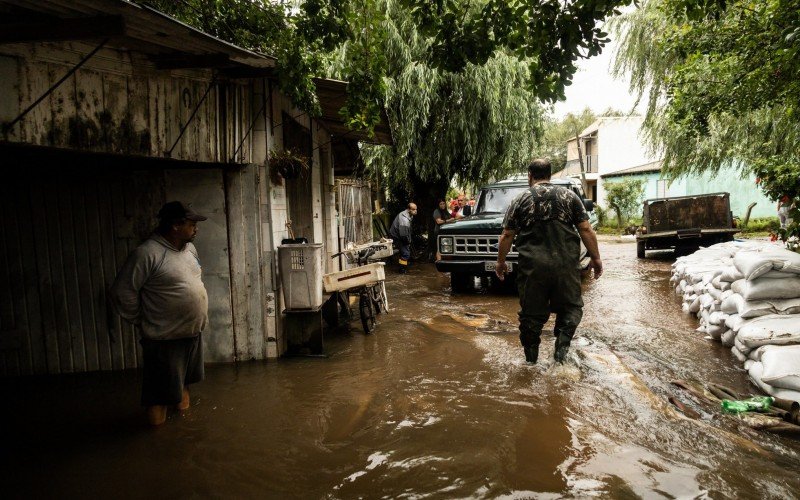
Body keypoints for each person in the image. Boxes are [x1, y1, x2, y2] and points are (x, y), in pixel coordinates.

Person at [494, 159, 603, 365]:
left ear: (530, 175)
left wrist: (500, 262)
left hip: (533, 269)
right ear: (550, 175)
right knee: (570, 309)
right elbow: (586, 230)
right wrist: (596, 258)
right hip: (566, 267)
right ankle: (560, 355)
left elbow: (507, 235)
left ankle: (531, 363)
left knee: (530, 317)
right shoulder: (569, 197)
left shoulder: (520, 200)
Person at [110, 201, 209, 426]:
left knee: (183, 385)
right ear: (175, 225)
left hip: (191, 334)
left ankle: (184, 433)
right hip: (164, 339)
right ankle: (157, 443)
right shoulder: (147, 254)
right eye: (191, 223)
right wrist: (143, 320)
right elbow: (121, 293)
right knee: (159, 397)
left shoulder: (189, 249)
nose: (196, 228)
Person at [389, 202, 417, 273]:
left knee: (403, 252)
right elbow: (403, 235)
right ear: (408, 210)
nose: (415, 211)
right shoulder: (404, 219)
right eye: (413, 209)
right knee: (406, 253)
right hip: (397, 236)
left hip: (400, 234)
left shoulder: (409, 215)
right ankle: (402, 270)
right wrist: (408, 241)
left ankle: (401, 266)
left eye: (416, 209)